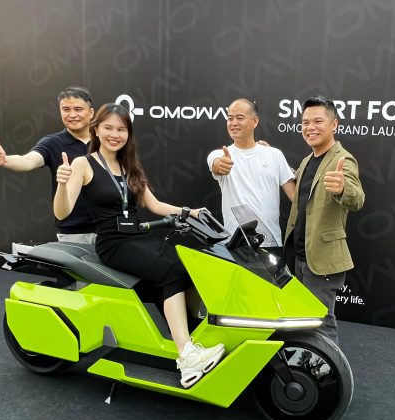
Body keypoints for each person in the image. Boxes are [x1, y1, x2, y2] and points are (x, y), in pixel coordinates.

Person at [53, 103, 224, 388]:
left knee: (188, 265)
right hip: (113, 243)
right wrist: (61, 184)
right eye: (108, 128)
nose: (114, 134)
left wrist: (189, 211)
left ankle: (193, 339)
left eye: (121, 129)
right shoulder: (83, 164)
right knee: (172, 271)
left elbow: (153, 204)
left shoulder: (129, 166)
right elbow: (62, 212)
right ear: (96, 130)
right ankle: (187, 358)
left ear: (128, 134)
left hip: (138, 237)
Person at [284, 96, 365, 345]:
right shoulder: (308, 160)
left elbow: (357, 198)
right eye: (305, 122)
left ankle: (330, 369)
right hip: (300, 257)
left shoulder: (343, 159)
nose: (310, 127)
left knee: (322, 322)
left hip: (322, 260)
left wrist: (342, 188)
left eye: (318, 121)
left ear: (334, 124)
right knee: (303, 320)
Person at [0, 86, 96, 244]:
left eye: (78, 109)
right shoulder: (52, 142)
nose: (72, 115)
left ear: (91, 112)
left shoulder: (106, 141)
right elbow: (29, 161)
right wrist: (5, 160)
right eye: (66, 109)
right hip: (72, 233)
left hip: (108, 229)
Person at [207, 98, 295, 254]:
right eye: (230, 118)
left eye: (239, 118)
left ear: (255, 121)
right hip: (235, 244)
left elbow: (295, 197)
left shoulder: (274, 154)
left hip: (271, 242)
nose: (233, 123)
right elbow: (216, 165)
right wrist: (220, 165)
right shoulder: (219, 155)